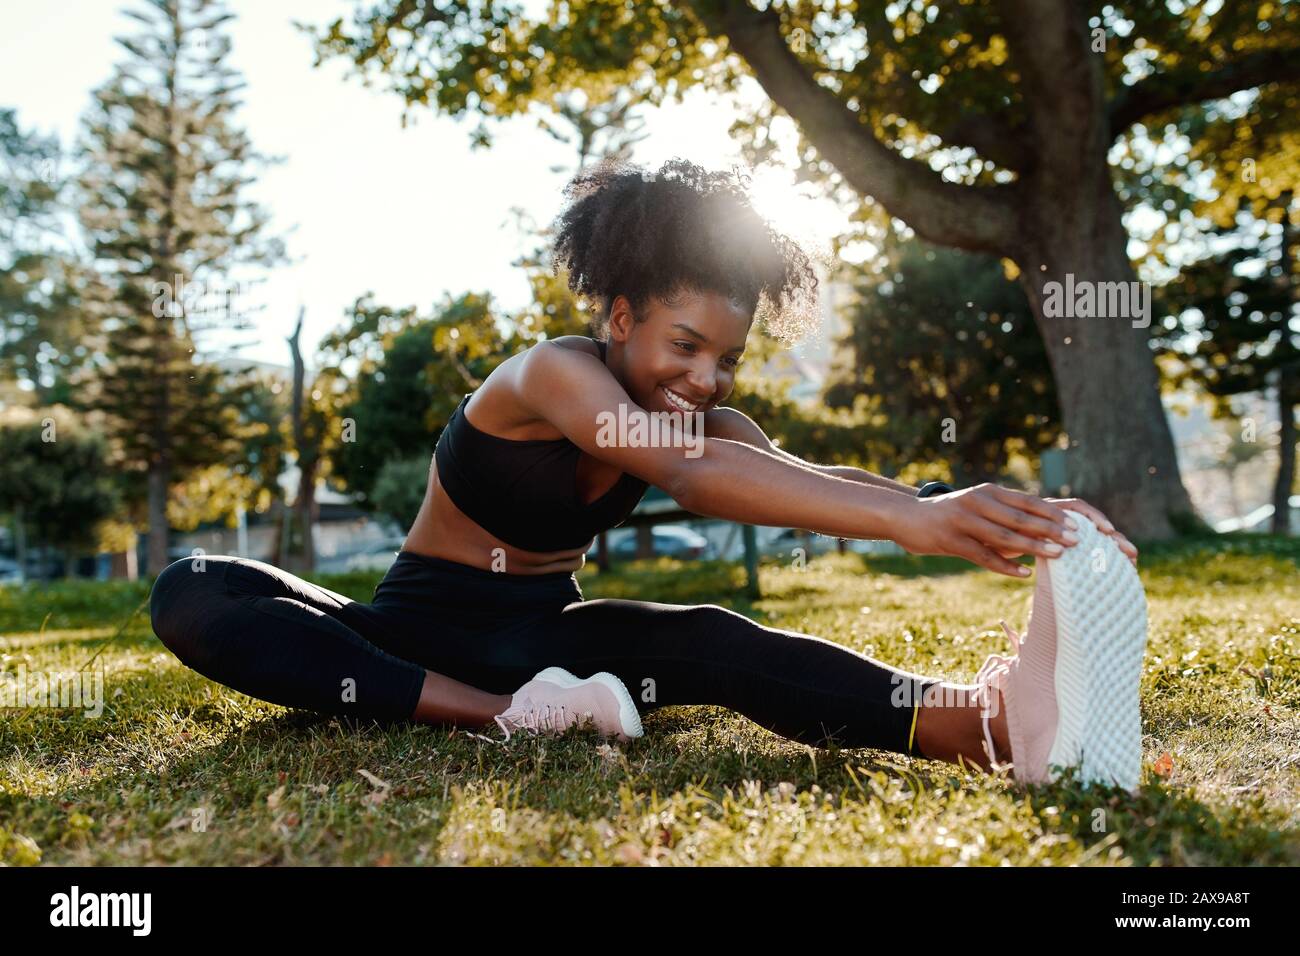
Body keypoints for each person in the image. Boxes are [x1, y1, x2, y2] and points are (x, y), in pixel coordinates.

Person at [150, 158, 1148, 790]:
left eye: (725, 358)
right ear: (619, 316)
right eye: (683, 343)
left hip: (556, 643)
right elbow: (697, 471)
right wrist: (915, 526)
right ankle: (503, 717)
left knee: (713, 639)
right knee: (195, 589)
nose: (704, 377)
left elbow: (791, 469)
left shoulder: (709, 417)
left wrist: (970, 508)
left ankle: (992, 722)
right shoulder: (547, 375)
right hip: (411, 635)